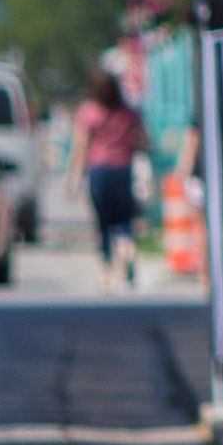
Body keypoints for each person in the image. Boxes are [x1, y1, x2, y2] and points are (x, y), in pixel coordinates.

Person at [71, 65, 149, 283]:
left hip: (98, 171)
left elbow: (80, 147)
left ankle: (106, 270)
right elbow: (144, 140)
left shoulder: (89, 112)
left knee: (103, 222)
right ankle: (127, 245)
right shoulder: (128, 113)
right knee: (124, 217)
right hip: (123, 170)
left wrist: (72, 179)